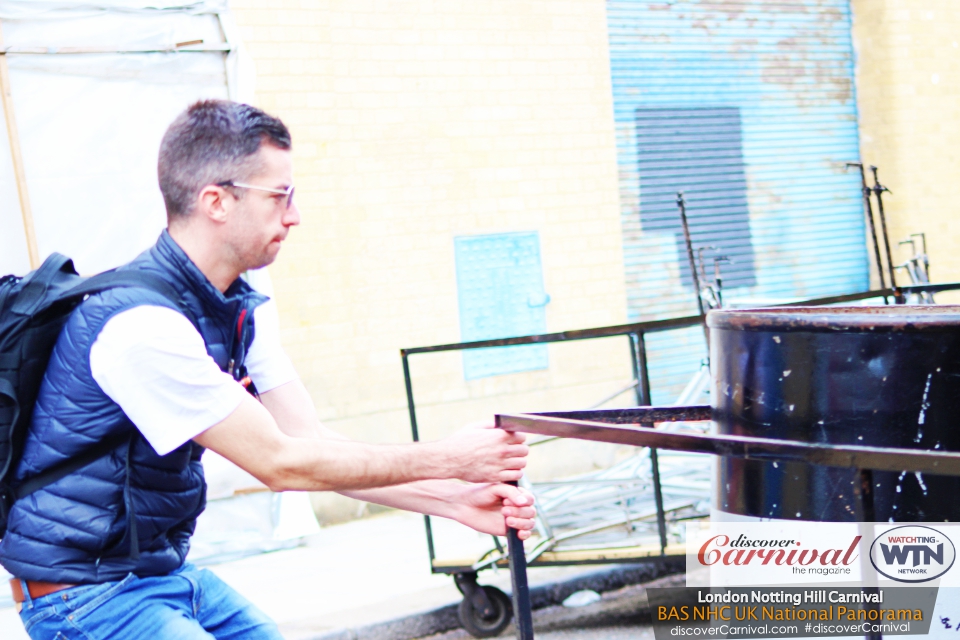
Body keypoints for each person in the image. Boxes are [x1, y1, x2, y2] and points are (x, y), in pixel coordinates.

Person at [1, 100, 535, 639]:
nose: (295, 215)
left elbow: (313, 443)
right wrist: (452, 458)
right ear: (216, 201)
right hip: (83, 598)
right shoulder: (141, 328)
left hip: (160, 575)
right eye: (280, 196)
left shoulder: (233, 309)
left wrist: (453, 499)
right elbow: (282, 464)